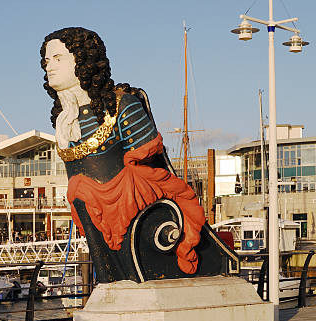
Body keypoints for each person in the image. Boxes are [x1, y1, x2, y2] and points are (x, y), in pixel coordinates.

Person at [41, 27, 225, 283]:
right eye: (47, 60)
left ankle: (116, 279)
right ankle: (110, 281)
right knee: (80, 190)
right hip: (90, 201)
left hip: (127, 196)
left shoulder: (121, 105)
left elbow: (148, 153)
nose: (50, 66)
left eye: (58, 58)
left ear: (83, 61)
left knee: (82, 190)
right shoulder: (64, 119)